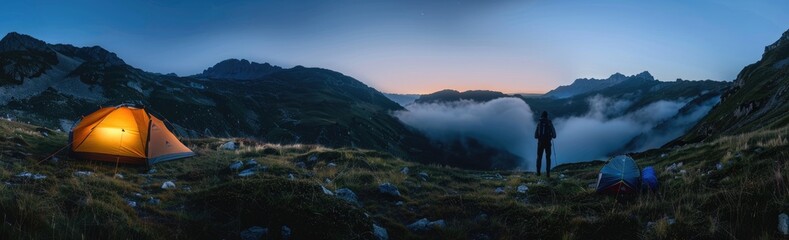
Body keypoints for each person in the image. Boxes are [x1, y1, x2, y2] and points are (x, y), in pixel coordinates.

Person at [534, 111, 556, 177]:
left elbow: (535, 136)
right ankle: (548, 174)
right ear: (547, 116)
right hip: (548, 143)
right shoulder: (549, 123)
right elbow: (555, 135)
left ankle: (538, 173)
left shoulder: (539, 123)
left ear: (541, 116)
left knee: (539, 157)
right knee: (548, 158)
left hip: (540, 143)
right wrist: (550, 136)